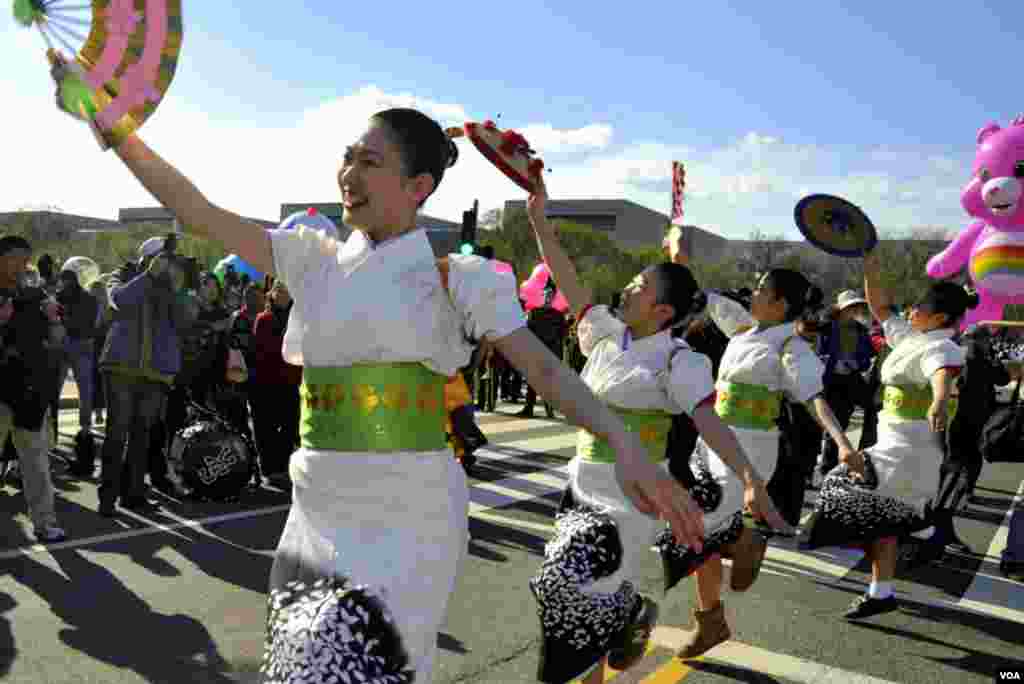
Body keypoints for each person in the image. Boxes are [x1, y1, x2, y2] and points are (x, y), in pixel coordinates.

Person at [61, 97, 707, 683]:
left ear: (417, 186)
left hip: (408, 514)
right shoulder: (310, 257)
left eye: (370, 161)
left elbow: (543, 369)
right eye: (348, 156)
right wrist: (119, 132)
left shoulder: (458, 278)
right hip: (315, 508)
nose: (350, 172)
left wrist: (624, 444)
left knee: (356, 668)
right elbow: (195, 210)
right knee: (299, 670)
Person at [528, 193, 789, 684]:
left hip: (633, 494)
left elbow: (712, 424)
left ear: (663, 310)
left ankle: (616, 625)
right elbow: (567, 279)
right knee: (572, 596)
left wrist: (751, 477)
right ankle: (626, 617)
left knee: (581, 588)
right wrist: (540, 222)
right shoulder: (604, 334)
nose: (626, 289)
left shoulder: (678, 362)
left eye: (638, 286)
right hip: (581, 482)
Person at [666, 228, 856, 657]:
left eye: (760, 289)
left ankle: (744, 544)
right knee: (698, 532)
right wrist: (677, 257)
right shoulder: (742, 330)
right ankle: (716, 606)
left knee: (701, 529)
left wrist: (842, 443)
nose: (752, 293)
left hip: (751, 450)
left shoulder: (792, 349)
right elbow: (695, 292)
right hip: (710, 443)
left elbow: (814, 399)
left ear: (781, 304)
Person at [804, 250, 973, 620]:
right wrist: (871, 268)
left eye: (918, 308)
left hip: (911, 450)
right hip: (890, 444)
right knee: (880, 521)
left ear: (940, 318)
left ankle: (924, 531)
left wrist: (940, 401)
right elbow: (880, 308)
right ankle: (886, 586)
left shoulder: (941, 346)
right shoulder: (912, 337)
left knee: (842, 489)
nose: (909, 311)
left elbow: (940, 372)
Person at [97, 238, 189, 516]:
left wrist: (175, 289)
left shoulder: (170, 286)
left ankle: (134, 495)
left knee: (141, 437)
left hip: (154, 372)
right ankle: (107, 497)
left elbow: (183, 323)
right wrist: (148, 276)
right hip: (121, 368)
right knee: (117, 433)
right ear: (147, 259)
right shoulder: (120, 276)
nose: (166, 265)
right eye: (161, 259)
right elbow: (120, 301)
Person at [0, 236, 67, 542]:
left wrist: (53, 318)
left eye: (25, 259)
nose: (21, 265)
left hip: (30, 390)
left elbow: (56, 341)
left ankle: (45, 523)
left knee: (36, 462)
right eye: (14, 258)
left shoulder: (35, 293)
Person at [815, 291, 878, 479]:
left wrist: (857, 363)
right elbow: (818, 351)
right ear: (841, 308)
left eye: (857, 307)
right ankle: (828, 467)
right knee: (835, 423)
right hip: (830, 380)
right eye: (851, 306)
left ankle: (862, 460)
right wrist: (833, 362)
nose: (854, 310)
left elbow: (867, 356)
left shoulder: (860, 330)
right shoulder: (825, 327)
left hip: (851, 378)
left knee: (867, 414)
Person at [251, 280, 301, 484]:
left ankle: (284, 465)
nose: (283, 294)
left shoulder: (297, 318)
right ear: (271, 294)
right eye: (279, 290)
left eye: (287, 290)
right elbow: (261, 352)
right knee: (267, 429)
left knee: (290, 427)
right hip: (267, 383)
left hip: (292, 381)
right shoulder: (263, 319)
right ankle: (271, 470)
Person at [55, 268, 99, 476]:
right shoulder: (87, 298)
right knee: (84, 389)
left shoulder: (61, 297)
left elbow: (80, 323)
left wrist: (64, 320)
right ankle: (85, 429)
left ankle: (62, 429)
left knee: (63, 389)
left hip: (73, 344)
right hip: (80, 344)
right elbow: (92, 323)